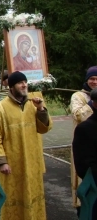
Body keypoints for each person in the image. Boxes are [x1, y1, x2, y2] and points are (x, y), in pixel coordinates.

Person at [0, 71, 52, 219]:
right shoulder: (0, 108)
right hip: (12, 164)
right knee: (12, 198)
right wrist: (1, 162)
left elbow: (44, 129)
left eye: (25, 82)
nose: (24, 85)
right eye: (20, 83)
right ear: (11, 87)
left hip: (32, 162)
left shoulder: (34, 104)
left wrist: (41, 110)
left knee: (34, 198)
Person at [70, 65, 97, 213]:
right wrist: (92, 101)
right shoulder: (78, 96)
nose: (95, 82)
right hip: (84, 144)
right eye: (92, 79)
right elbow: (79, 116)